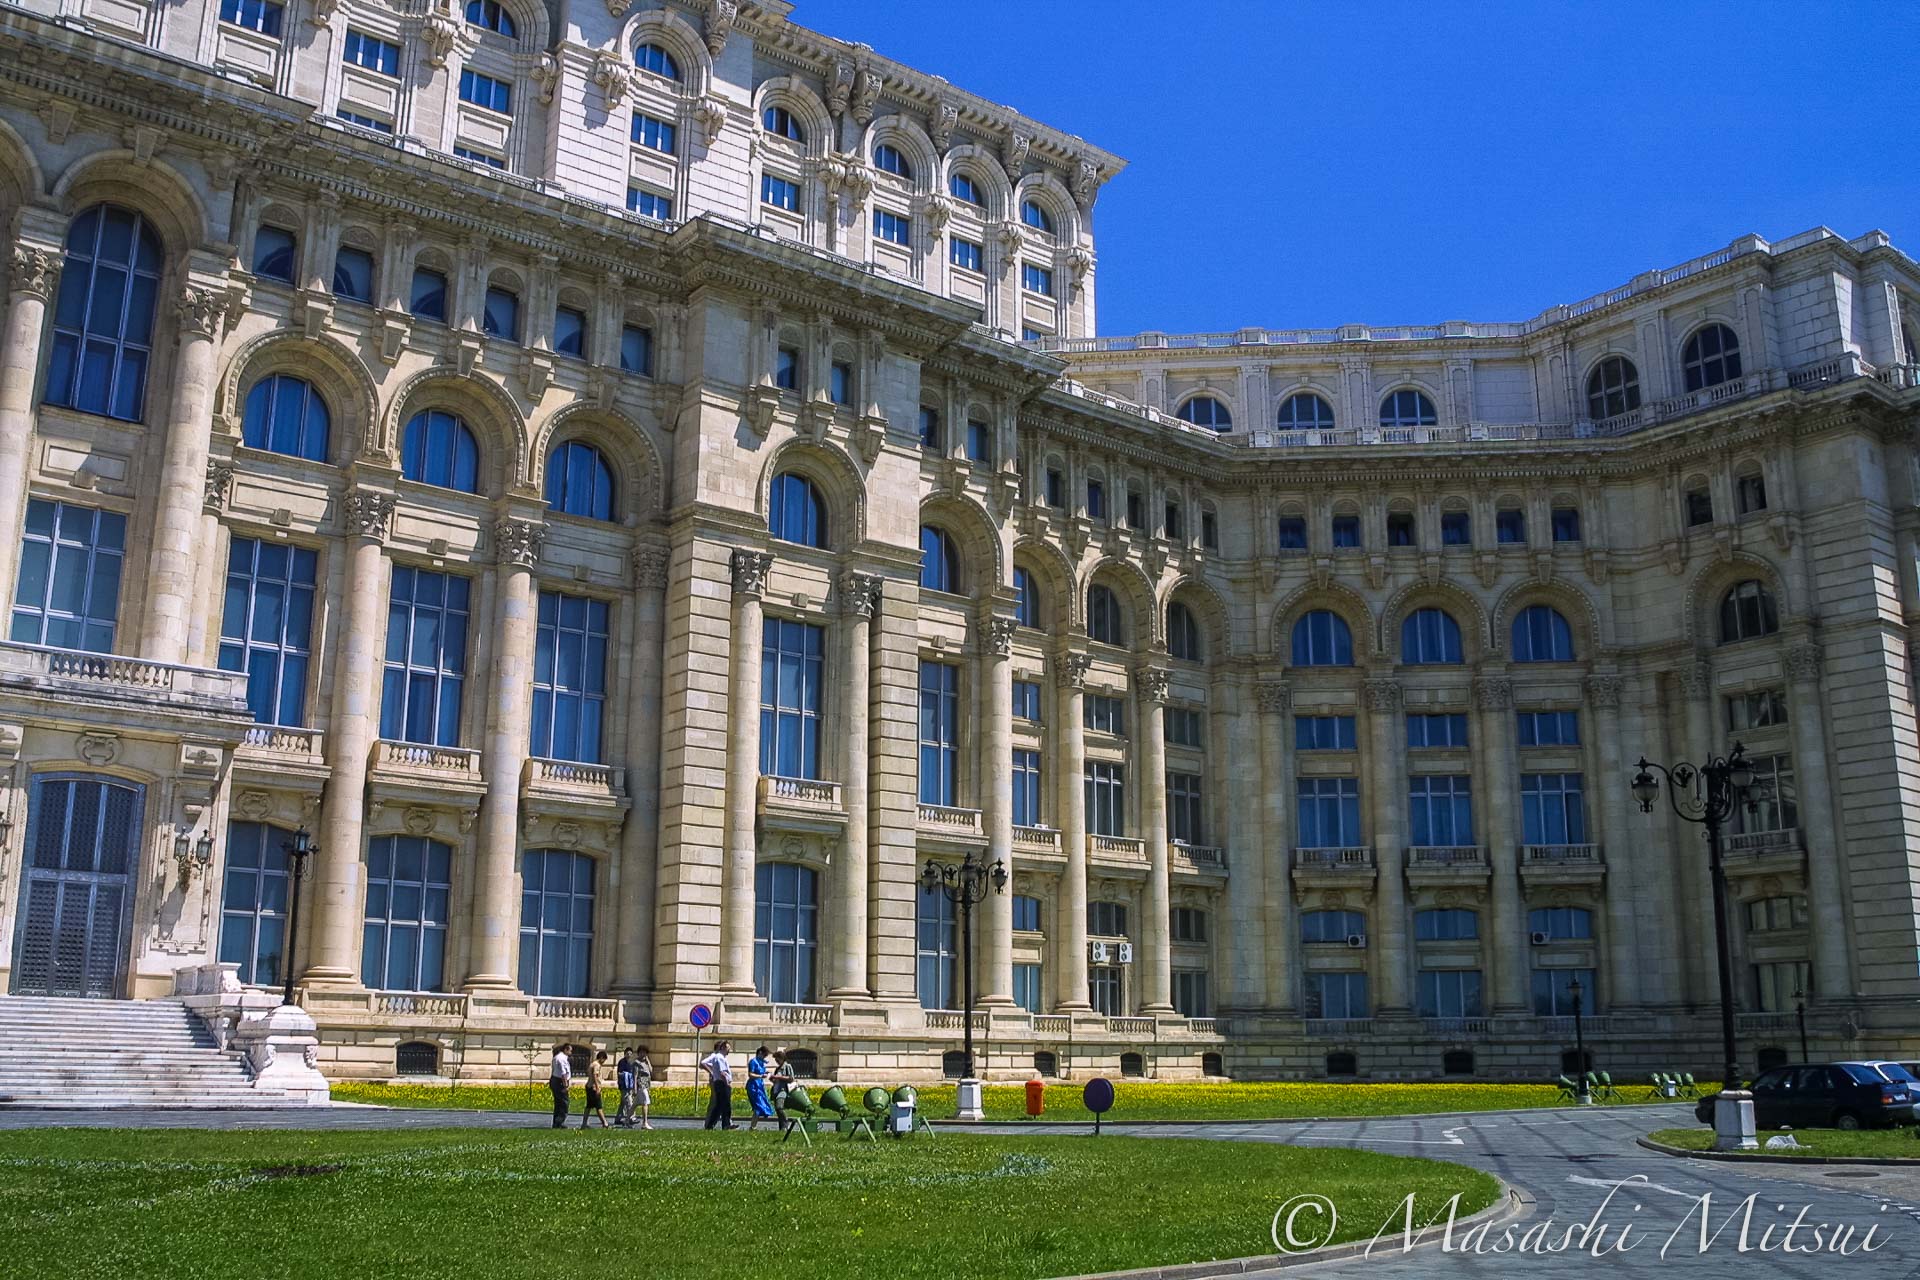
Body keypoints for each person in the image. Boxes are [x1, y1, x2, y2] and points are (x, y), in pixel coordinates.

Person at [701, 1040, 736, 1130]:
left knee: (719, 1106)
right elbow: (722, 1072)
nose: (729, 1050)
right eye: (728, 1048)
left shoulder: (720, 1057)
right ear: (723, 1048)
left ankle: (711, 1125)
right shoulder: (719, 1058)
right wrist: (727, 1082)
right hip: (722, 1083)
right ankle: (725, 1124)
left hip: (719, 1083)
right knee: (726, 1105)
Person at [745, 1044, 776, 1131]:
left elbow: (762, 1072)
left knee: (762, 1104)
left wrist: (766, 1073)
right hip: (753, 1087)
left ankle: (753, 1126)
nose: (765, 1057)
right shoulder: (753, 1062)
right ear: (760, 1053)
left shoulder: (761, 1062)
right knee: (758, 1106)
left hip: (760, 1086)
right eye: (764, 1055)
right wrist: (760, 1076)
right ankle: (753, 1126)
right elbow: (750, 1074)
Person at [581, 1050, 610, 1129]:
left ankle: (584, 1123)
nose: (604, 1062)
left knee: (589, 1106)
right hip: (593, 1087)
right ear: (601, 1058)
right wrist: (597, 1088)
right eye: (604, 1059)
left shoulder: (592, 1064)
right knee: (599, 1106)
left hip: (589, 1086)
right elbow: (595, 1076)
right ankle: (605, 1123)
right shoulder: (597, 1065)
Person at [548, 1043, 573, 1129]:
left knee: (558, 1103)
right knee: (564, 1103)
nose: (571, 1052)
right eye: (570, 1050)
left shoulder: (557, 1057)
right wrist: (566, 1085)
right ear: (566, 1049)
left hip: (555, 1080)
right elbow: (563, 1073)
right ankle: (559, 1122)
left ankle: (556, 1122)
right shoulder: (562, 1059)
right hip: (560, 1082)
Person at [768, 1048, 796, 1125]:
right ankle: (782, 1126)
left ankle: (786, 1123)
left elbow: (791, 1078)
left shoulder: (787, 1066)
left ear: (782, 1058)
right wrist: (772, 1078)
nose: (776, 1061)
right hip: (776, 1090)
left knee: (779, 1107)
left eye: (777, 1059)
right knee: (777, 1110)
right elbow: (776, 1080)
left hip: (783, 1090)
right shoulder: (777, 1069)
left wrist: (777, 1077)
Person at [615, 1047, 638, 1128]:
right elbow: (619, 1073)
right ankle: (632, 1117)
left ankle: (618, 1117)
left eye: (630, 1054)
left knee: (622, 1103)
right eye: (627, 1054)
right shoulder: (622, 1062)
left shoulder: (631, 1063)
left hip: (629, 1085)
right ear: (625, 1054)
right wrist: (626, 1075)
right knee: (629, 1102)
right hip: (624, 1085)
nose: (629, 1055)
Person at [633, 1045, 655, 1130]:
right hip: (640, 1083)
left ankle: (627, 1120)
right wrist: (634, 1087)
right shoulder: (636, 1063)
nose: (643, 1054)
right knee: (645, 1102)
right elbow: (635, 1076)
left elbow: (651, 1070)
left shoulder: (645, 1062)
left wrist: (648, 1061)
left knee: (634, 1104)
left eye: (645, 1052)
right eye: (641, 1052)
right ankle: (645, 1123)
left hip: (647, 1084)